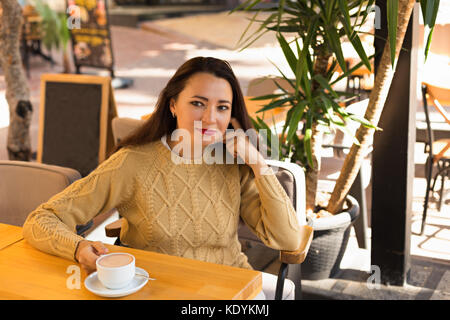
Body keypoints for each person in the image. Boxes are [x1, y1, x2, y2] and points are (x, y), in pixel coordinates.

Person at [23, 57, 302, 298]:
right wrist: (79, 247)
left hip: (230, 287)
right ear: (172, 105)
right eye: (197, 103)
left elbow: (289, 240)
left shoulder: (237, 163)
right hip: (157, 290)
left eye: (222, 108)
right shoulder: (133, 162)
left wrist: (258, 164)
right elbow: (42, 219)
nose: (209, 118)